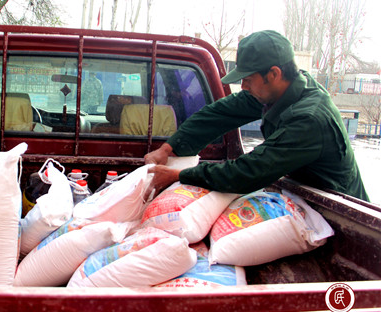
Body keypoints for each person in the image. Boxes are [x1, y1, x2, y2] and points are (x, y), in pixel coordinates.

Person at [144, 30, 369, 202]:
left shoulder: (309, 119)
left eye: (248, 79)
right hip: (304, 197)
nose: (243, 86)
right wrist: (168, 149)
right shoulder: (278, 91)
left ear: (274, 74)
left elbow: (250, 171)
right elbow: (219, 113)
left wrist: (179, 175)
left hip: (342, 212)